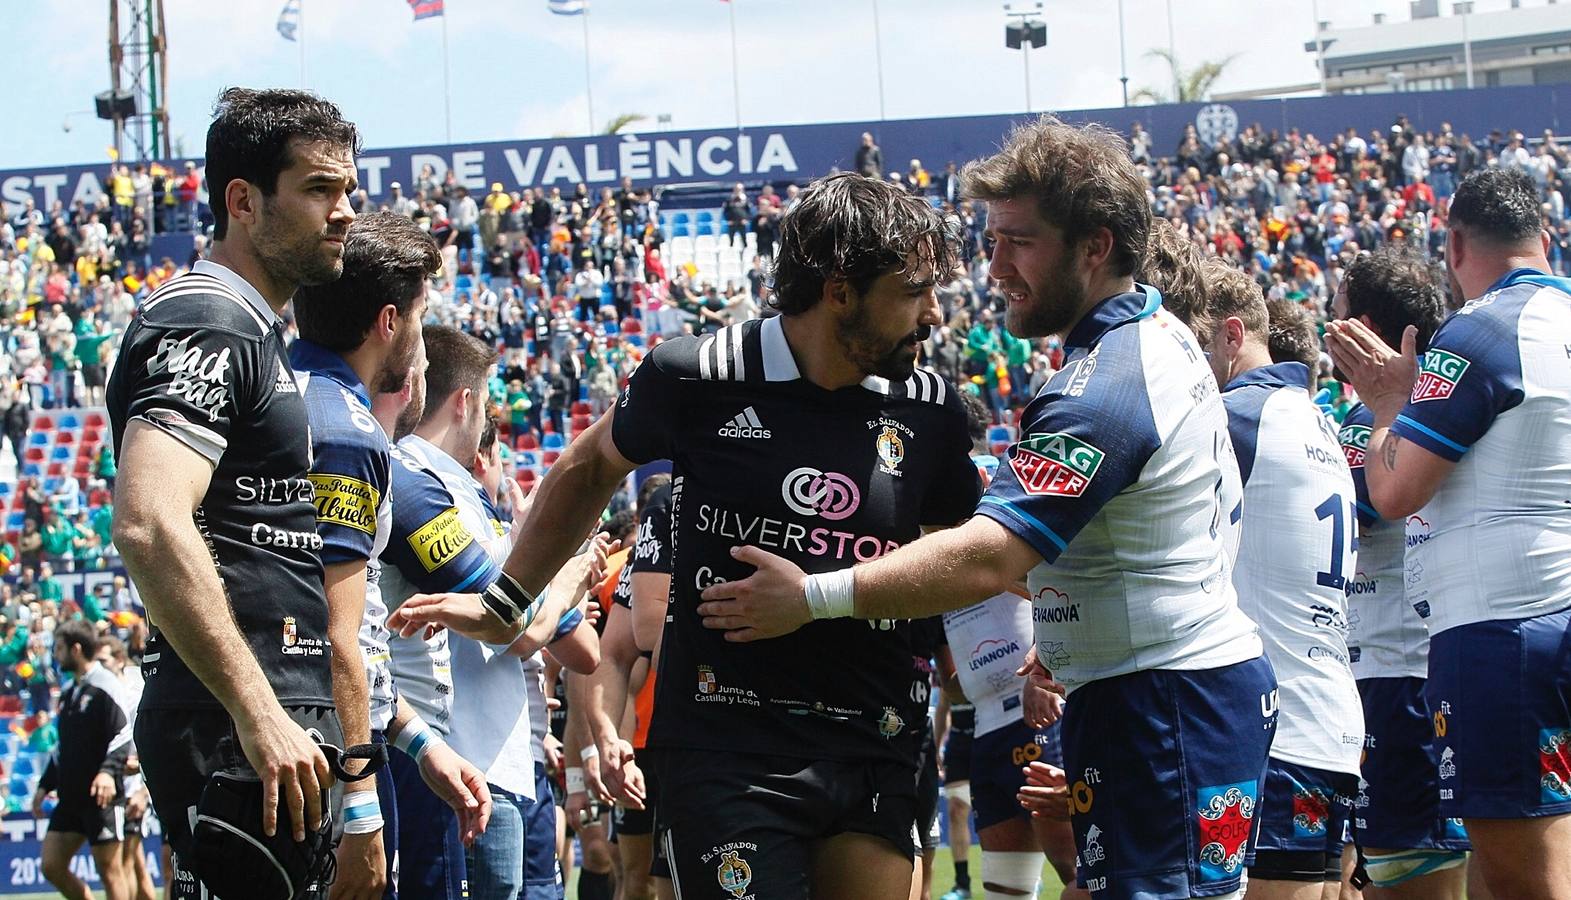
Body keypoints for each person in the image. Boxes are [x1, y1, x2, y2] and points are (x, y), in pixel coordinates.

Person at [691, 116, 1275, 900]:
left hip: (1162, 705)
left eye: (1017, 241)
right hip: (1161, 693)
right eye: (991, 240)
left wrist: (810, 597)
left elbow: (992, 555)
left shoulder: (1104, 386)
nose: (992, 266)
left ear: (1094, 246)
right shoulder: (1155, 338)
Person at [392, 171, 977, 899]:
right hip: (728, 746)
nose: (933, 315)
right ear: (838, 291)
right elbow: (586, 466)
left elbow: (963, 553)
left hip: (878, 739)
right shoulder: (699, 372)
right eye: (913, 290)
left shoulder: (931, 408)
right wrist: (508, 597)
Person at [105, 87, 360, 899]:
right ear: (243, 202)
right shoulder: (209, 317)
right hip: (235, 726)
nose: (345, 211)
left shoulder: (253, 331)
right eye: (319, 189)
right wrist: (258, 710)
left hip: (266, 721)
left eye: (348, 190)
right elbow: (148, 520)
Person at [1325, 166, 1571, 900]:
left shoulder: (1481, 328)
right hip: (1547, 610)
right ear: (1546, 239)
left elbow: (1393, 490)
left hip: (1499, 625)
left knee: (1518, 876)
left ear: (1454, 244)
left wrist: (1384, 406)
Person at [291, 210, 494, 898]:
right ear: (387, 323)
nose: (422, 340)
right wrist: (360, 813)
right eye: (419, 315)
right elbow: (336, 636)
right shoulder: (343, 431)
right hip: (320, 760)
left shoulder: (303, 398)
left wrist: (418, 744)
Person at [1203, 261, 1364, 900]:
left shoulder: (1237, 416)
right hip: (1329, 717)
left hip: (1276, 725)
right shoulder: (1316, 418)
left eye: (1195, 341)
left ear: (1231, 335)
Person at [1330, 248, 1470, 899]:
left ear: (1358, 326)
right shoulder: (1430, 409)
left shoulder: (1380, 423)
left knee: (1409, 876)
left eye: (1334, 317)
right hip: (1405, 669)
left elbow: (1350, 509)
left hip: (1396, 675)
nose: (1325, 332)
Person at [939, 392, 1080, 900]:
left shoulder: (990, 484)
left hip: (1038, 712)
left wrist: (1047, 670)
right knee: (1004, 889)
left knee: (1076, 872)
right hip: (987, 724)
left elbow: (1052, 575)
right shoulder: (923, 504)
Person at [33, 620, 134, 900]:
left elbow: (123, 734)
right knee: (51, 865)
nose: (55, 654)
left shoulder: (106, 684)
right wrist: (44, 786)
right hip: (70, 797)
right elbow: (62, 749)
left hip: (101, 796)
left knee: (109, 870)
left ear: (76, 649)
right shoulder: (67, 693)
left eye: (60, 648)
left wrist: (106, 772)